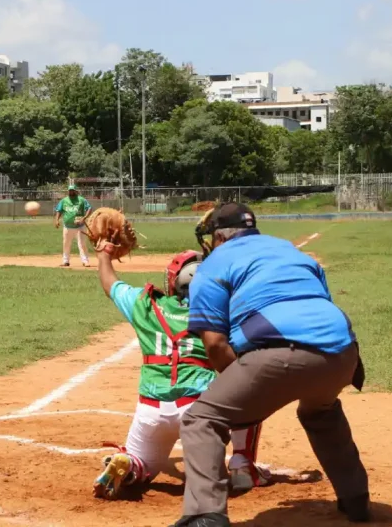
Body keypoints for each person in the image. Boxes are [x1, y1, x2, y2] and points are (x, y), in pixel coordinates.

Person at [172, 203, 369, 527]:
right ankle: (356, 500)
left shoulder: (213, 263)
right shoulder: (290, 251)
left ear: (219, 236)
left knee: (201, 421)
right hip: (343, 352)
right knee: (321, 412)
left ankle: (204, 516)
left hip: (279, 353)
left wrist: (246, 391)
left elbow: (215, 344)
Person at [92, 243, 269, 501]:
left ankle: (128, 465)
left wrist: (104, 254)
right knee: (252, 390)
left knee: (144, 464)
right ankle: (242, 466)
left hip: (150, 411)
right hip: (199, 412)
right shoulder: (220, 312)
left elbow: (110, 284)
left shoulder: (146, 304)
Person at [54, 185, 92, 267]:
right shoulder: (64, 201)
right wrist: (57, 220)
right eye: (70, 190)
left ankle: (85, 261)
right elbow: (59, 210)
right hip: (67, 227)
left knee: (82, 244)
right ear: (68, 191)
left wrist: (84, 218)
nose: (71, 192)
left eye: (72, 190)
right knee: (66, 244)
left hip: (80, 226)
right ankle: (65, 261)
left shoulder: (81, 200)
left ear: (75, 191)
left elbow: (89, 208)